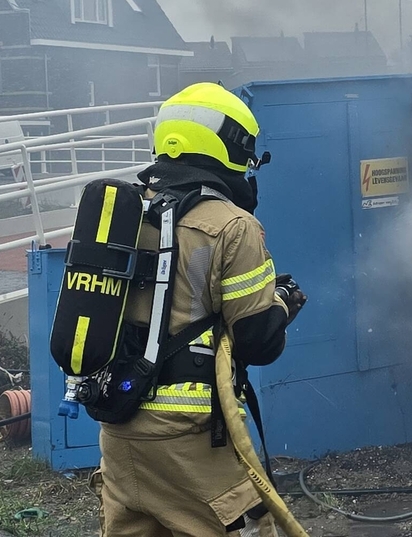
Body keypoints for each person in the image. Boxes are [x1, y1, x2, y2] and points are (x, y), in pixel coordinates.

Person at [90, 82, 306, 537]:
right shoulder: (233, 226)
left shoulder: (127, 214)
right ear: (230, 148)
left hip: (119, 429)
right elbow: (257, 341)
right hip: (187, 438)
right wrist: (283, 304)